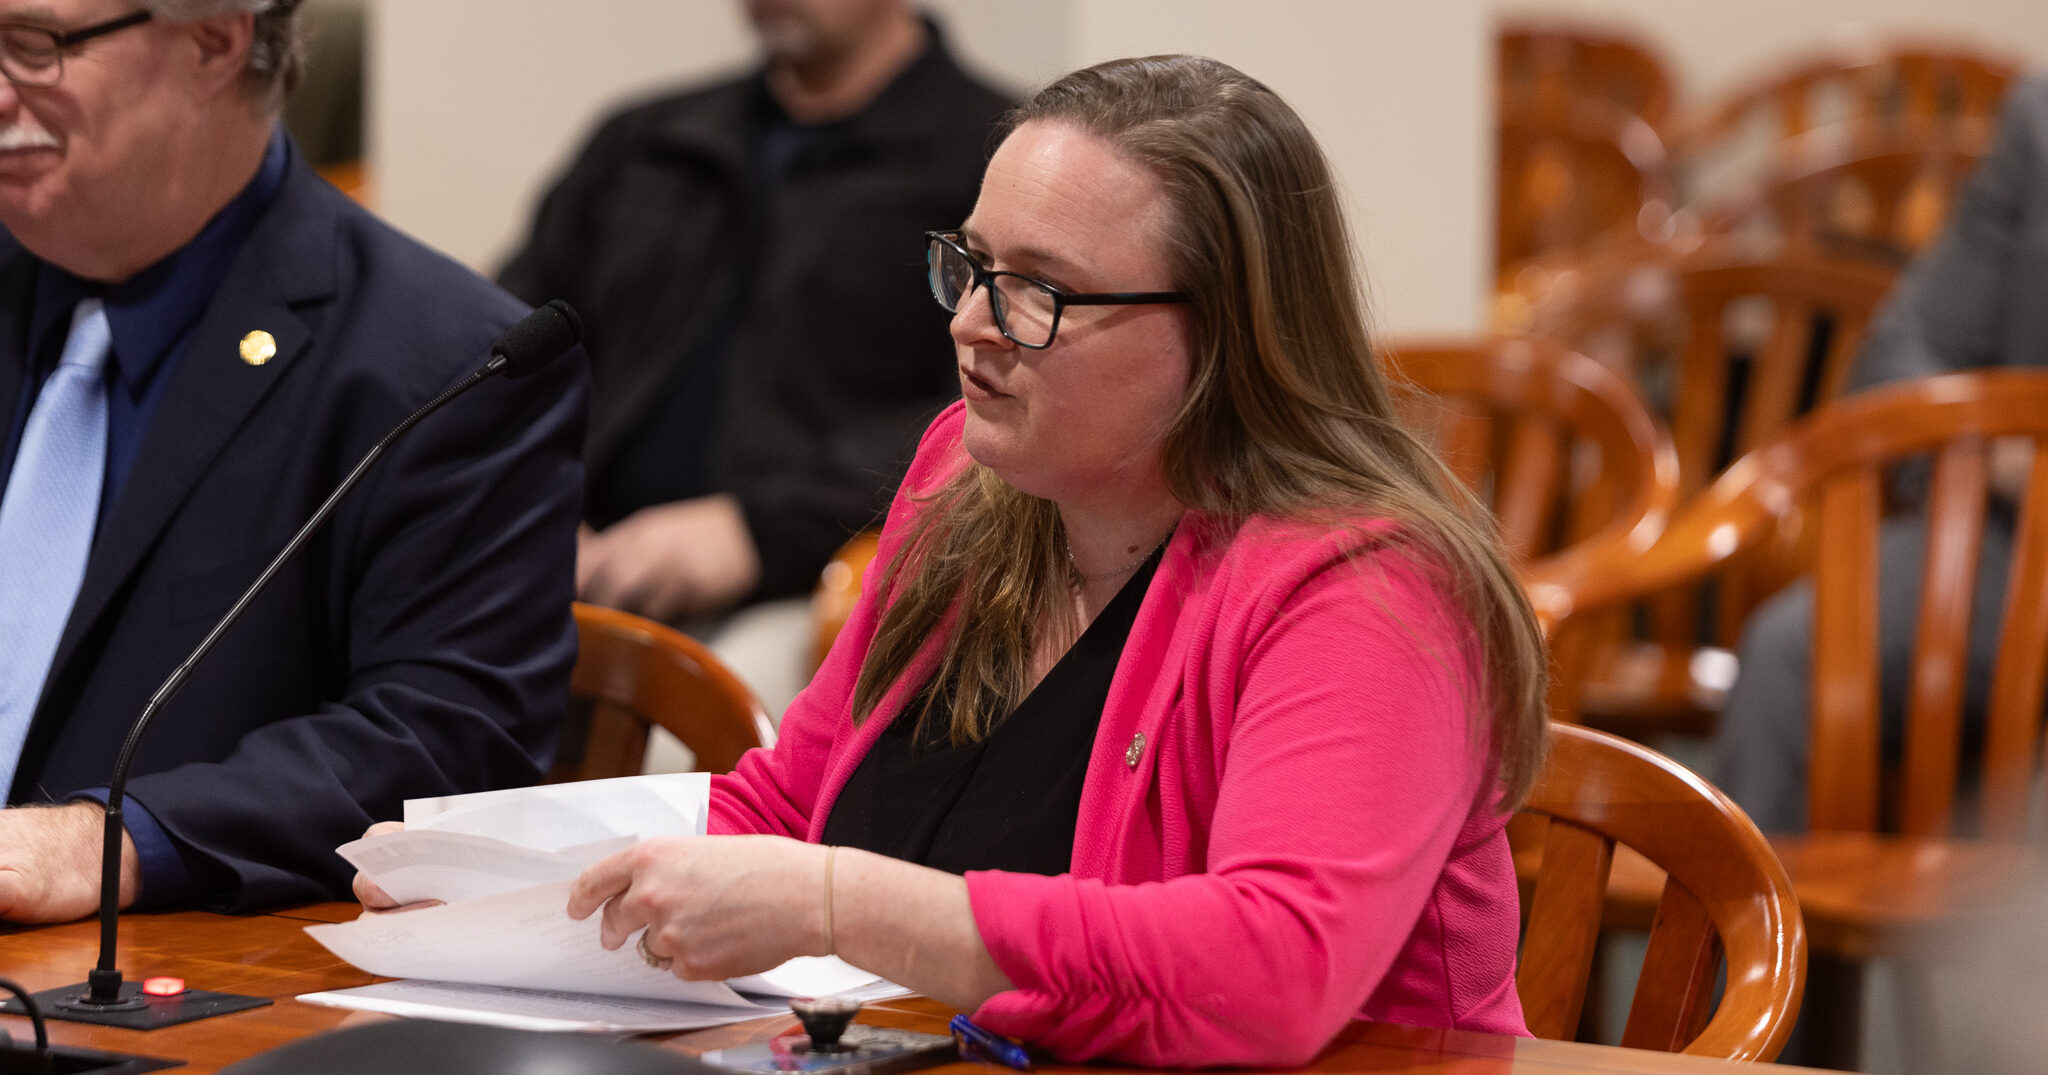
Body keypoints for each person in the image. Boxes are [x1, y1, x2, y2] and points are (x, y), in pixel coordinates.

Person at [361, 55, 1548, 1065]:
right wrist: (496, 878)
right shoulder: (969, 481)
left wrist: (832, 903)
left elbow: (1269, 971)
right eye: (969, 264)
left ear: (1224, 337)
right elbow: (792, 804)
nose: (969, 324)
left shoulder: (1364, 588)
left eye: (1036, 291)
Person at [0, 0, 585, 922]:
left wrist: (105, 841)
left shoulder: (447, 366)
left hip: (160, 986)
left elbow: (443, 737)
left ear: (214, 40)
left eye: (34, 43)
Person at [500, 0, 1010, 716]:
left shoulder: (987, 160)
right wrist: (537, 497)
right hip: (575, 553)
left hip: (814, 578)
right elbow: (508, 342)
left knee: (700, 731)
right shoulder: (649, 139)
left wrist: (757, 529)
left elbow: (984, 409)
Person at [1713, 75, 2048, 833]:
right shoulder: (2039, 120)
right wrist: (2009, 460)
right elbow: (1899, 353)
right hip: (2008, 543)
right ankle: (1770, 951)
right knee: (1791, 652)